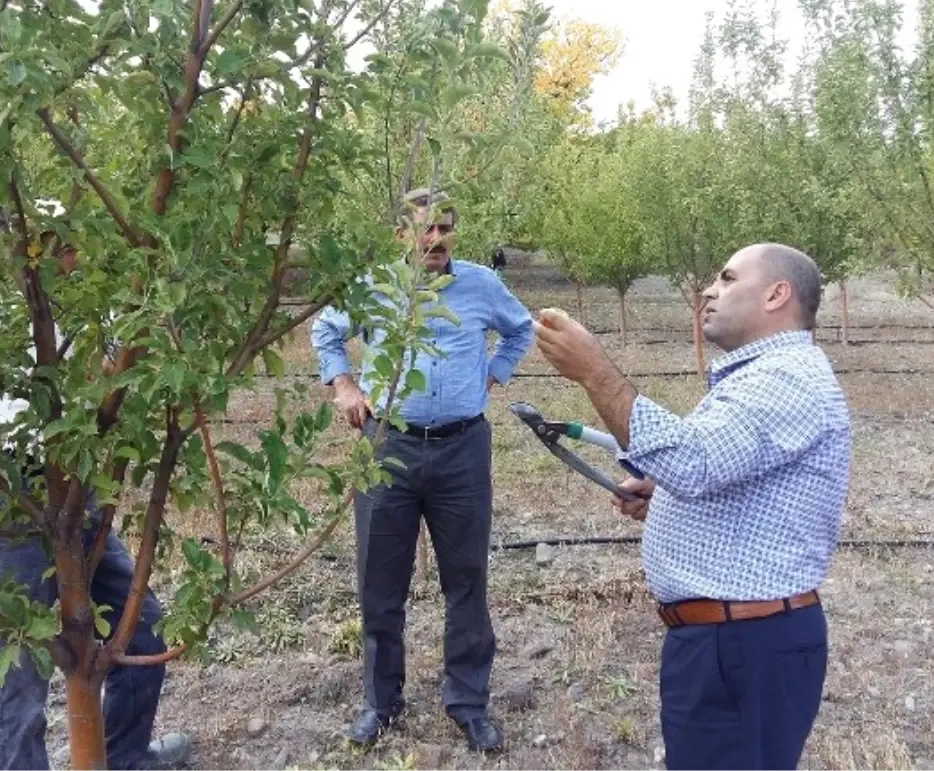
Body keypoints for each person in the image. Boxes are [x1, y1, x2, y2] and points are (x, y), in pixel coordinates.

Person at [533, 243, 852, 771]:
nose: (708, 290)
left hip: (744, 645)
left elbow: (695, 462)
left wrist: (595, 371)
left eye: (727, 279)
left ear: (777, 294)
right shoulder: (763, 375)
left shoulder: (785, 378)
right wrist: (666, 496)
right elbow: (724, 469)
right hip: (731, 641)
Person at [0, 231, 192, 771]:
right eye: (57, 247)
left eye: (71, 247)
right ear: (28, 251)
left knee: (143, 625)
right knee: (20, 675)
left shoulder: (90, 315)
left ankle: (124, 758)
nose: (71, 258)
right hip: (16, 498)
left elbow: (117, 377)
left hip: (79, 492)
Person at [311, 188, 534, 752]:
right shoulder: (375, 286)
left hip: (462, 450)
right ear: (400, 235)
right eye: (423, 229)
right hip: (388, 447)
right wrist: (343, 384)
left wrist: (494, 374)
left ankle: (468, 702)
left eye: (444, 228)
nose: (434, 239)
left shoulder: (481, 284)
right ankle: (380, 701)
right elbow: (326, 330)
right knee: (379, 583)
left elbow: (521, 328)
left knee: (467, 580)